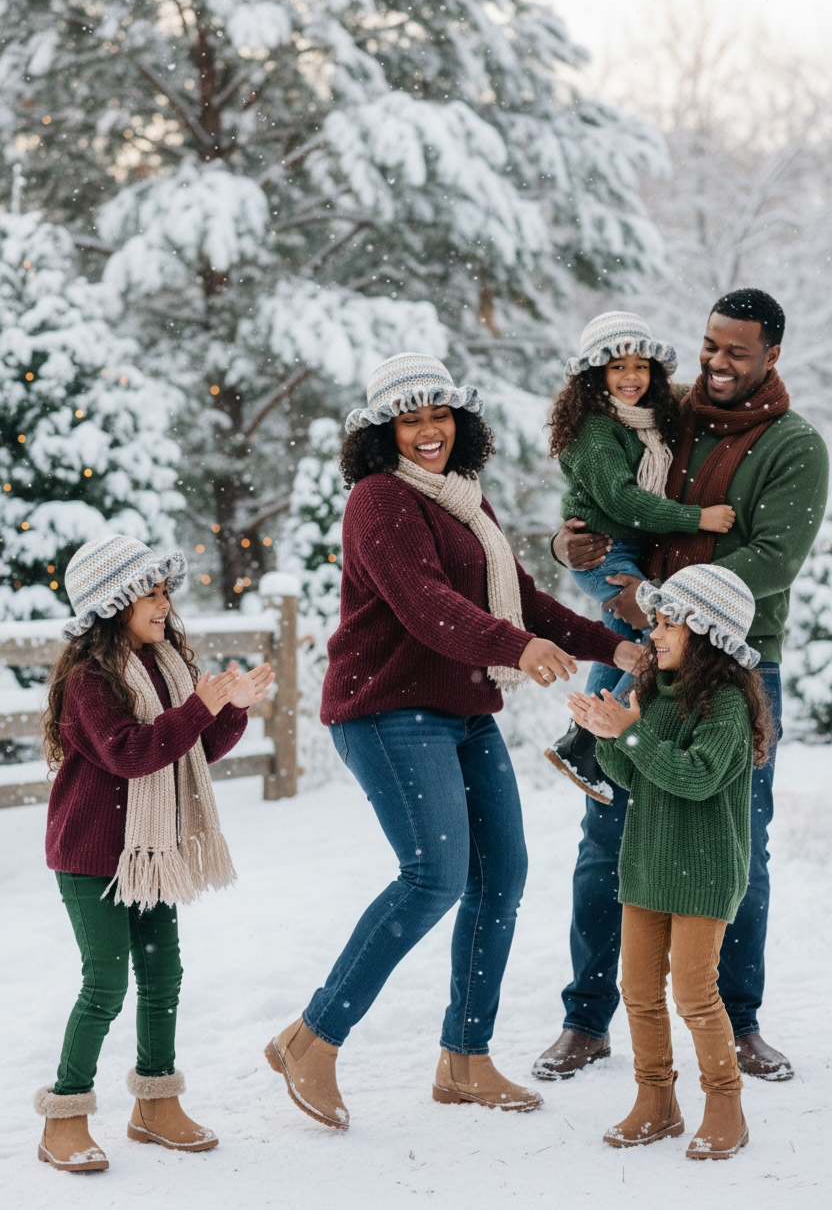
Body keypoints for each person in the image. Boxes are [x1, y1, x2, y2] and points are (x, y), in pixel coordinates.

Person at [263, 353, 642, 1131]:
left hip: (461, 711)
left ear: (459, 423)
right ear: (384, 432)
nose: (429, 431)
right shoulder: (378, 501)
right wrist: (513, 647)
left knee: (501, 875)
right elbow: (425, 604)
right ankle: (314, 1037)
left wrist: (616, 647)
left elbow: (524, 598)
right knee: (433, 876)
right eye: (411, 419)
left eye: (440, 416)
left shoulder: (467, 502)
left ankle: (465, 1059)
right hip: (387, 709)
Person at [533, 289, 828, 1084]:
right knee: (605, 833)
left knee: (737, 844)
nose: (717, 363)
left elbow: (771, 559)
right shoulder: (665, 414)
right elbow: (605, 504)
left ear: (771, 353)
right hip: (633, 650)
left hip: (736, 664)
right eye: (709, 345)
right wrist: (571, 542)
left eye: (737, 351)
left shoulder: (795, 445)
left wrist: (670, 605)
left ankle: (736, 1021)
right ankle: (586, 1019)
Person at [35, 535, 274, 1173]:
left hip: (150, 850)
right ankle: (65, 1115)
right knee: (106, 983)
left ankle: (155, 1104)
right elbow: (131, 751)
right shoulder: (92, 677)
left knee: (162, 977)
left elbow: (191, 749)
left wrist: (232, 709)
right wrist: (203, 704)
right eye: (152, 592)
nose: (165, 603)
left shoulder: (164, 663)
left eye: (166, 591)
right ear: (113, 602)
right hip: (91, 856)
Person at [570, 565, 772, 1160]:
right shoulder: (657, 692)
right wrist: (610, 731)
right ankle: (656, 1101)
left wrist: (631, 735)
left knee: (694, 993)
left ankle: (725, 1104)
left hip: (704, 873)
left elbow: (696, 778)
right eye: (654, 621)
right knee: (636, 988)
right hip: (648, 866)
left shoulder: (727, 706)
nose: (653, 633)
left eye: (667, 623)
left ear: (707, 633)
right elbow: (633, 774)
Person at [545, 311, 735, 802]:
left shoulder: (650, 419)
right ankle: (589, 738)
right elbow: (622, 500)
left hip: (628, 549)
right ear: (593, 377)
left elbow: (705, 389)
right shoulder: (595, 429)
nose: (631, 377)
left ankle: (578, 742)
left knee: (623, 638)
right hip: (605, 553)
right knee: (654, 635)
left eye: (641, 366)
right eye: (616, 368)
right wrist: (699, 519)